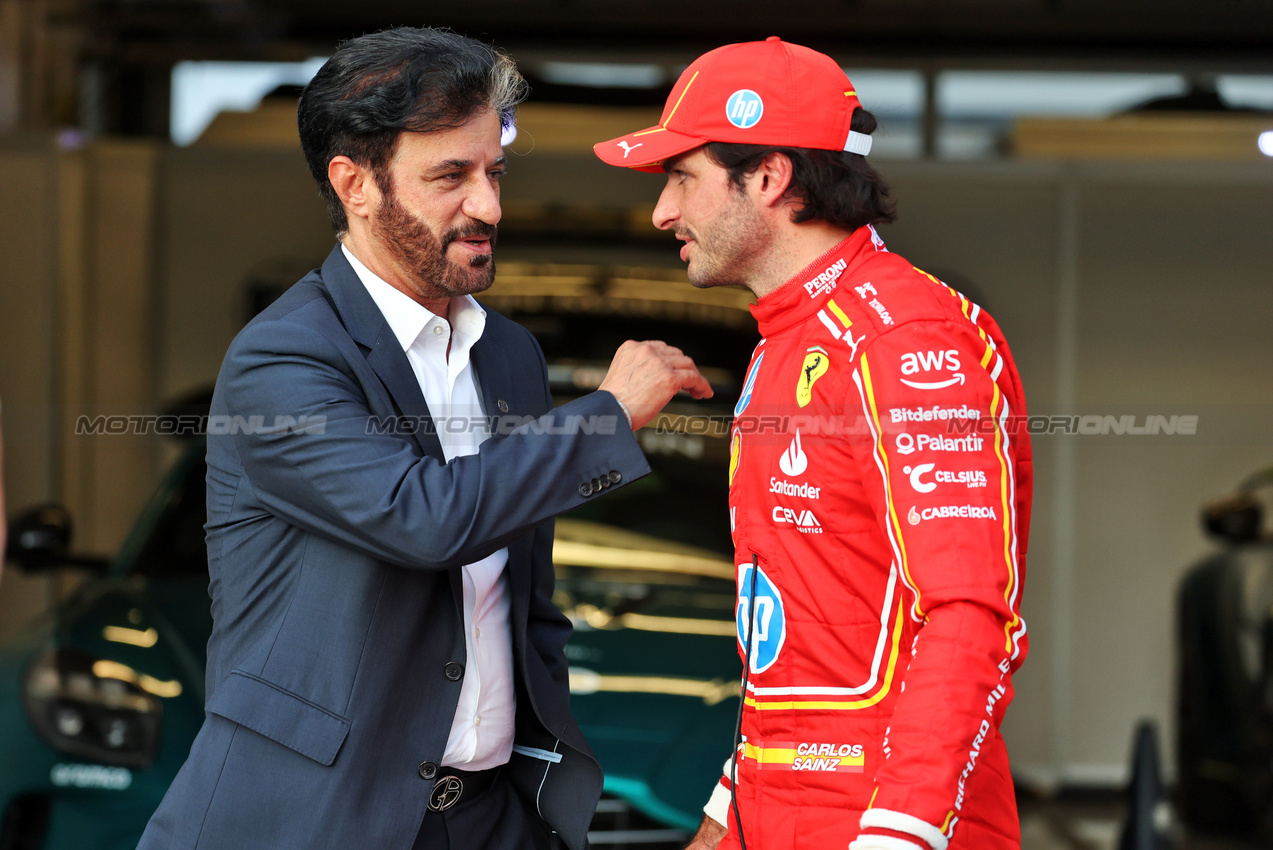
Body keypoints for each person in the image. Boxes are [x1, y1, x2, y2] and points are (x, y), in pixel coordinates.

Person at [139, 27, 710, 850]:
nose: (490, 206)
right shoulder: (284, 356)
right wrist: (606, 414)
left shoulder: (509, 353)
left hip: (490, 819)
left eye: (493, 171)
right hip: (313, 820)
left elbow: (523, 598)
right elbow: (425, 519)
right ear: (354, 184)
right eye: (451, 176)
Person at [595, 37, 1031, 850]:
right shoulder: (782, 343)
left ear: (767, 178)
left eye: (680, 178)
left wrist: (897, 834)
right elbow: (805, 631)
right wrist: (728, 810)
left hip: (881, 820)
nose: (662, 212)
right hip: (780, 801)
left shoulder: (906, 337)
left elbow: (970, 614)